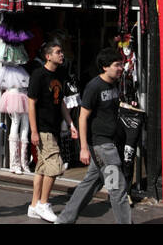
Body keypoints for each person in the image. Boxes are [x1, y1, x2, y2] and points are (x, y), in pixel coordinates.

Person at [56, 48, 132, 224]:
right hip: (102, 147)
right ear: (105, 67)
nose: (121, 67)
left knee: (90, 184)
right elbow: (83, 117)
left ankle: (63, 220)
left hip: (110, 145)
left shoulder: (113, 83)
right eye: (117, 65)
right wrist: (83, 148)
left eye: (121, 64)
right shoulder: (94, 87)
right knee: (117, 189)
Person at [25, 41, 78, 222]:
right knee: (55, 166)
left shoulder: (60, 74)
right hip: (42, 128)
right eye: (57, 52)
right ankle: (43, 203)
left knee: (42, 168)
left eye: (61, 52)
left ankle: (33, 206)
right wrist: (33, 130)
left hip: (54, 127)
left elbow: (61, 102)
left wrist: (71, 124)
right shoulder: (39, 75)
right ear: (48, 56)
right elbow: (31, 103)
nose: (61, 55)